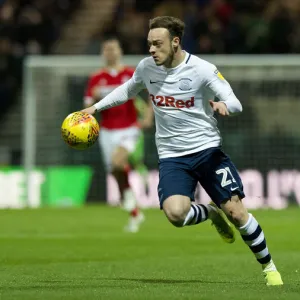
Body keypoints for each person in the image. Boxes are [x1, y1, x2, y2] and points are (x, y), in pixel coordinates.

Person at [82, 17, 283, 285]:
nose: (152, 50)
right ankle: (211, 212)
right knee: (176, 214)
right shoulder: (147, 68)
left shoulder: (202, 69)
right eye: (149, 44)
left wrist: (224, 106)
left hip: (208, 152)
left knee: (237, 213)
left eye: (158, 44)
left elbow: (235, 103)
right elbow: (128, 90)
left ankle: (269, 268)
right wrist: (94, 108)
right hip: (172, 157)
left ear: (175, 42)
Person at [83, 37, 153, 233]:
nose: (110, 53)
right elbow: (86, 106)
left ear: (120, 51)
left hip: (129, 128)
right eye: (107, 50)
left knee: (117, 162)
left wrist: (148, 116)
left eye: (113, 49)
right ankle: (135, 212)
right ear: (102, 54)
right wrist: (95, 97)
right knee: (115, 171)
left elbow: (152, 92)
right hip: (107, 130)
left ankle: (134, 170)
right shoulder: (96, 78)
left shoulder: (131, 74)